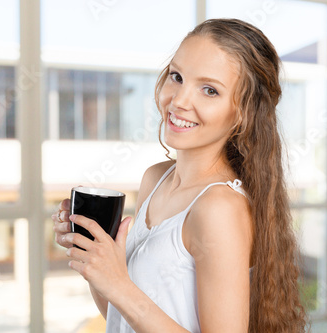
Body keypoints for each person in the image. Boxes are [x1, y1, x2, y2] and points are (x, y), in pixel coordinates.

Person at [52, 18, 308, 333]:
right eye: (177, 76)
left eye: (210, 90)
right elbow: (122, 320)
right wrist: (95, 261)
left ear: (243, 113)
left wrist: (119, 284)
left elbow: (127, 297)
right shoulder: (155, 179)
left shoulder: (219, 208)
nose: (179, 101)